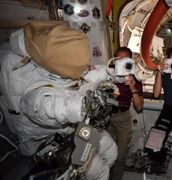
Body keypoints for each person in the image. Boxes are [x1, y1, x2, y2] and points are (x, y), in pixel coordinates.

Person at [0, 21, 117, 179]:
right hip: (45, 137)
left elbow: (87, 74)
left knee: (111, 152)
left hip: (73, 127)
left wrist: (112, 73)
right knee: (100, 173)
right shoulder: (37, 87)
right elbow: (41, 106)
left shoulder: (67, 69)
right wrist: (77, 107)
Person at [107, 46, 144, 180]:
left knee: (120, 155)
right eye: (118, 59)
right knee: (102, 153)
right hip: (105, 116)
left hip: (122, 117)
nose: (121, 62)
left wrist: (133, 88)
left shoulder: (135, 78)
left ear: (130, 60)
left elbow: (139, 107)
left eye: (124, 59)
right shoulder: (108, 73)